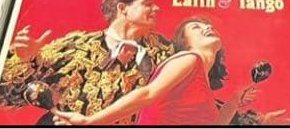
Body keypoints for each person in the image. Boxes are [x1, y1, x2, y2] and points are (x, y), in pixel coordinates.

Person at [0, 0, 174, 124]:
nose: (157, 8)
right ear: (122, 8)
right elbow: (9, 96)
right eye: (147, 3)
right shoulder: (77, 45)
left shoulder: (165, 52)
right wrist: (25, 59)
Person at [52, 18, 269, 126]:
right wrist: (90, 121)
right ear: (185, 42)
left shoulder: (201, 89)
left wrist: (233, 102)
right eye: (196, 27)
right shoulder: (188, 59)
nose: (207, 28)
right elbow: (148, 93)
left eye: (208, 26)